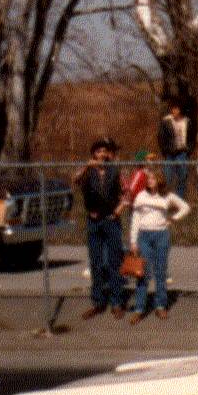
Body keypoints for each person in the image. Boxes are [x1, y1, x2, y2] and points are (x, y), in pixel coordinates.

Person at [125, 170, 191, 322]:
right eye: (148, 179)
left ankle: (160, 306)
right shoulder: (141, 196)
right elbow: (135, 218)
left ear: (159, 180)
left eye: (152, 178)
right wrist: (133, 241)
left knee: (161, 272)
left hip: (161, 236)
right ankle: (139, 308)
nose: (149, 181)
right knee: (143, 273)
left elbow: (185, 208)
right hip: (144, 237)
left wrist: (173, 219)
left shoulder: (168, 196)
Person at [72, 137, 126, 320]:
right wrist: (88, 166)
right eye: (99, 151)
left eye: (105, 151)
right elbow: (75, 180)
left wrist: (118, 211)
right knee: (95, 262)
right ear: (94, 153)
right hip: (94, 220)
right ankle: (98, 302)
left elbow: (127, 193)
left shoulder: (115, 171)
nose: (102, 154)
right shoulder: (88, 172)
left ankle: (117, 302)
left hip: (111, 220)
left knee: (114, 262)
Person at [156, 97, 191, 200]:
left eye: (176, 108)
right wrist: (165, 150)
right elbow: (161, 137)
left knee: (182, 178)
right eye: (173, 108)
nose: (174, 111)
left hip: (182, 153)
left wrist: (189, 150)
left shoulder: (187, 121)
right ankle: (164, 200)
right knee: (167, 178)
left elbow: (191, 138)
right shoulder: (166, 121)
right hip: (170, 154)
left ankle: (179, 201)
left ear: (181, 110)